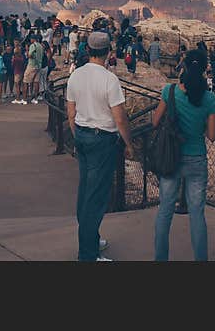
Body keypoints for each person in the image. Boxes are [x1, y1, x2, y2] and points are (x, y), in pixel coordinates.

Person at [66, 32, 133, 261]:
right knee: (95, 198)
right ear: (108, 52)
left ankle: (91, 239)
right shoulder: (109, 79)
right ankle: (88, 255)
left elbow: (70, 112)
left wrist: (78, 135)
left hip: (83, 136)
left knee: (86, 192)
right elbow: (120, 118)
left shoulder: (76, 75)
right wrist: (128, 143)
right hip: (102, 140)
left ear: (88, 50)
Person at [151, 49, 215, 261]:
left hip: (171, 157)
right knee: (197, 214)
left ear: (185, 65)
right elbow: (212, 135)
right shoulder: (210, 98)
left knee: (165, 210)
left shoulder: (169, 92)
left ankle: (160, 258)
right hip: (196, 158)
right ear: (204, 68)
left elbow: (154, 122)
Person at [25, 35, 43, 104]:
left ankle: (25, 98)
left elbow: (29, 55)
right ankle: (35, 98)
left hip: (32, 65)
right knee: (36, 82)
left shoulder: (33, 46)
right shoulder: (40, 46)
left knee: (26, 81)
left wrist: (27, 51)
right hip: (39, 65)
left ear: (33, 39)